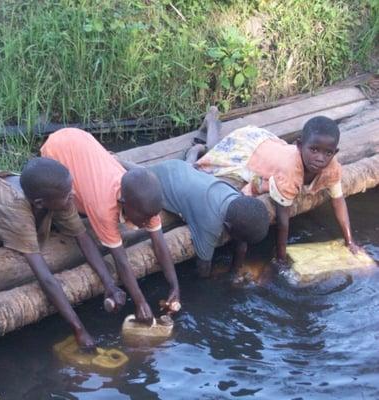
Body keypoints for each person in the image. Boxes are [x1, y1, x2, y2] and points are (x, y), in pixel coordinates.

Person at [0, 158, 126, 350]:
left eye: (70, 190)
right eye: (68, 195)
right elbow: (45, 277)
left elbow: (82, 237)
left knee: (23, 231)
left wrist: (110, 284)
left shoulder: (60, 194)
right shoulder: (15, 205)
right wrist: (79, 329)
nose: (73, 195)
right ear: (40, 203)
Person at [186, 108, 359, 267]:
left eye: (327, 153)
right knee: (204, 165)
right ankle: (197, 147)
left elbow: (338, 200)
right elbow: (283, 221)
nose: (320, 158)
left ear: (334, 153)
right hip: (249, 150)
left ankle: (210, 127)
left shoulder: (332, 167)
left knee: (215, 150)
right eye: (314, 150)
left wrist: (349, 240)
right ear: (299, 146)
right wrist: (281, 257)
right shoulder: (290, 170)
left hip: (269, 148)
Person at [41, 128, 180, 323]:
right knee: (71, 209)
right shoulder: (103, 208)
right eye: (143, 218)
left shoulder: (147, 202)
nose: (148, 222)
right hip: (58, 150)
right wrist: (140, 302)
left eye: (150, 218)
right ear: (123, 202)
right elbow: (121, 261)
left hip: (83, 139)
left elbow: (159, 243)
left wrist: (174, 286)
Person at [119, 158, 270, 279]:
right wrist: (209, 281)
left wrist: (235, 270)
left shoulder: (235, 196)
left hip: (180, 167)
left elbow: (241, 241)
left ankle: (192, 153)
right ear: (227, 227)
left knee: (151, 172)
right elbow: (203, 266)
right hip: (162, 182)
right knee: (138, 177)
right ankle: (117, 160)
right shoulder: (210, 224)